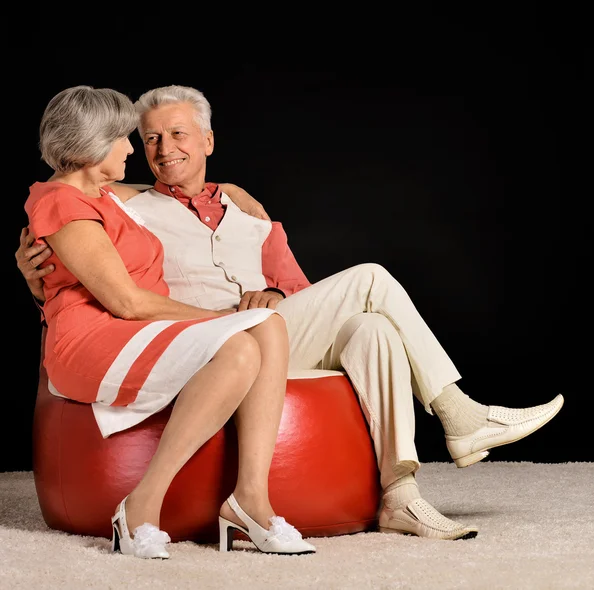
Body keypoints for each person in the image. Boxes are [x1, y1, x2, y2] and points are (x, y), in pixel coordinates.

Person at [18, 84, 564, 542]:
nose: (161, 150)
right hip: (199, 339)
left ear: (209, 139)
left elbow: (300, 287)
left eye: (178, 134)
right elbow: (82, 215)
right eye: (150, 138)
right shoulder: (127, 203)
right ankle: (459, 415)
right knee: (371, 279)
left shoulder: (251, 213)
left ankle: (401, 495)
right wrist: (30, 273)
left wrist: (276, 297)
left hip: (275, 330)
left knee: (371, 327)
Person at [22, 85, 316, 560]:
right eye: (124, 138)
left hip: (131, 329)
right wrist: (220, 318)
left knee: (264, 326)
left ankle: (250, 501)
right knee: (244, 336)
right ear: (93, 145)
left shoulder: (98, 195)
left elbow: (145, 189)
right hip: (95, 337)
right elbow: (126, 302)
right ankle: (141, 504)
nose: (133, 149)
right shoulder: (61, 202)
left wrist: (230, 190)